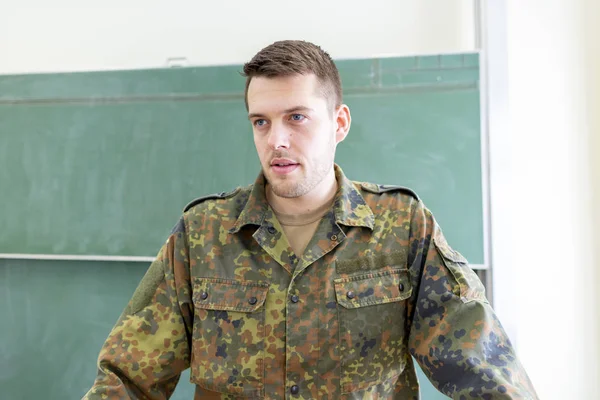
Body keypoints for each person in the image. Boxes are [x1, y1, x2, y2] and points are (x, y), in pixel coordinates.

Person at [83, 40, 538, 400]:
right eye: (260, 122)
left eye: (296, 117)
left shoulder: (403, 228)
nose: (276, 140)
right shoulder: (204, 234)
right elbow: (128, 378)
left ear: (339, 123)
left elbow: (482, 368)